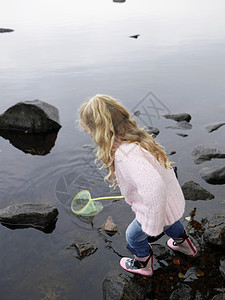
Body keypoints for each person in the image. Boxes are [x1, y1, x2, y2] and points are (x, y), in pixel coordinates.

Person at [79, 94, 198, 276]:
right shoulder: (137, 139)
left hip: (156, 207)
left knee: (133, 237)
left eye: (92, 133)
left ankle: (143, 264)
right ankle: (187, 247)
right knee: (171, 223)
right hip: (169, 201)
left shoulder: (125, 154)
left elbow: (154, 187)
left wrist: (151, 222)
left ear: (101, 132)